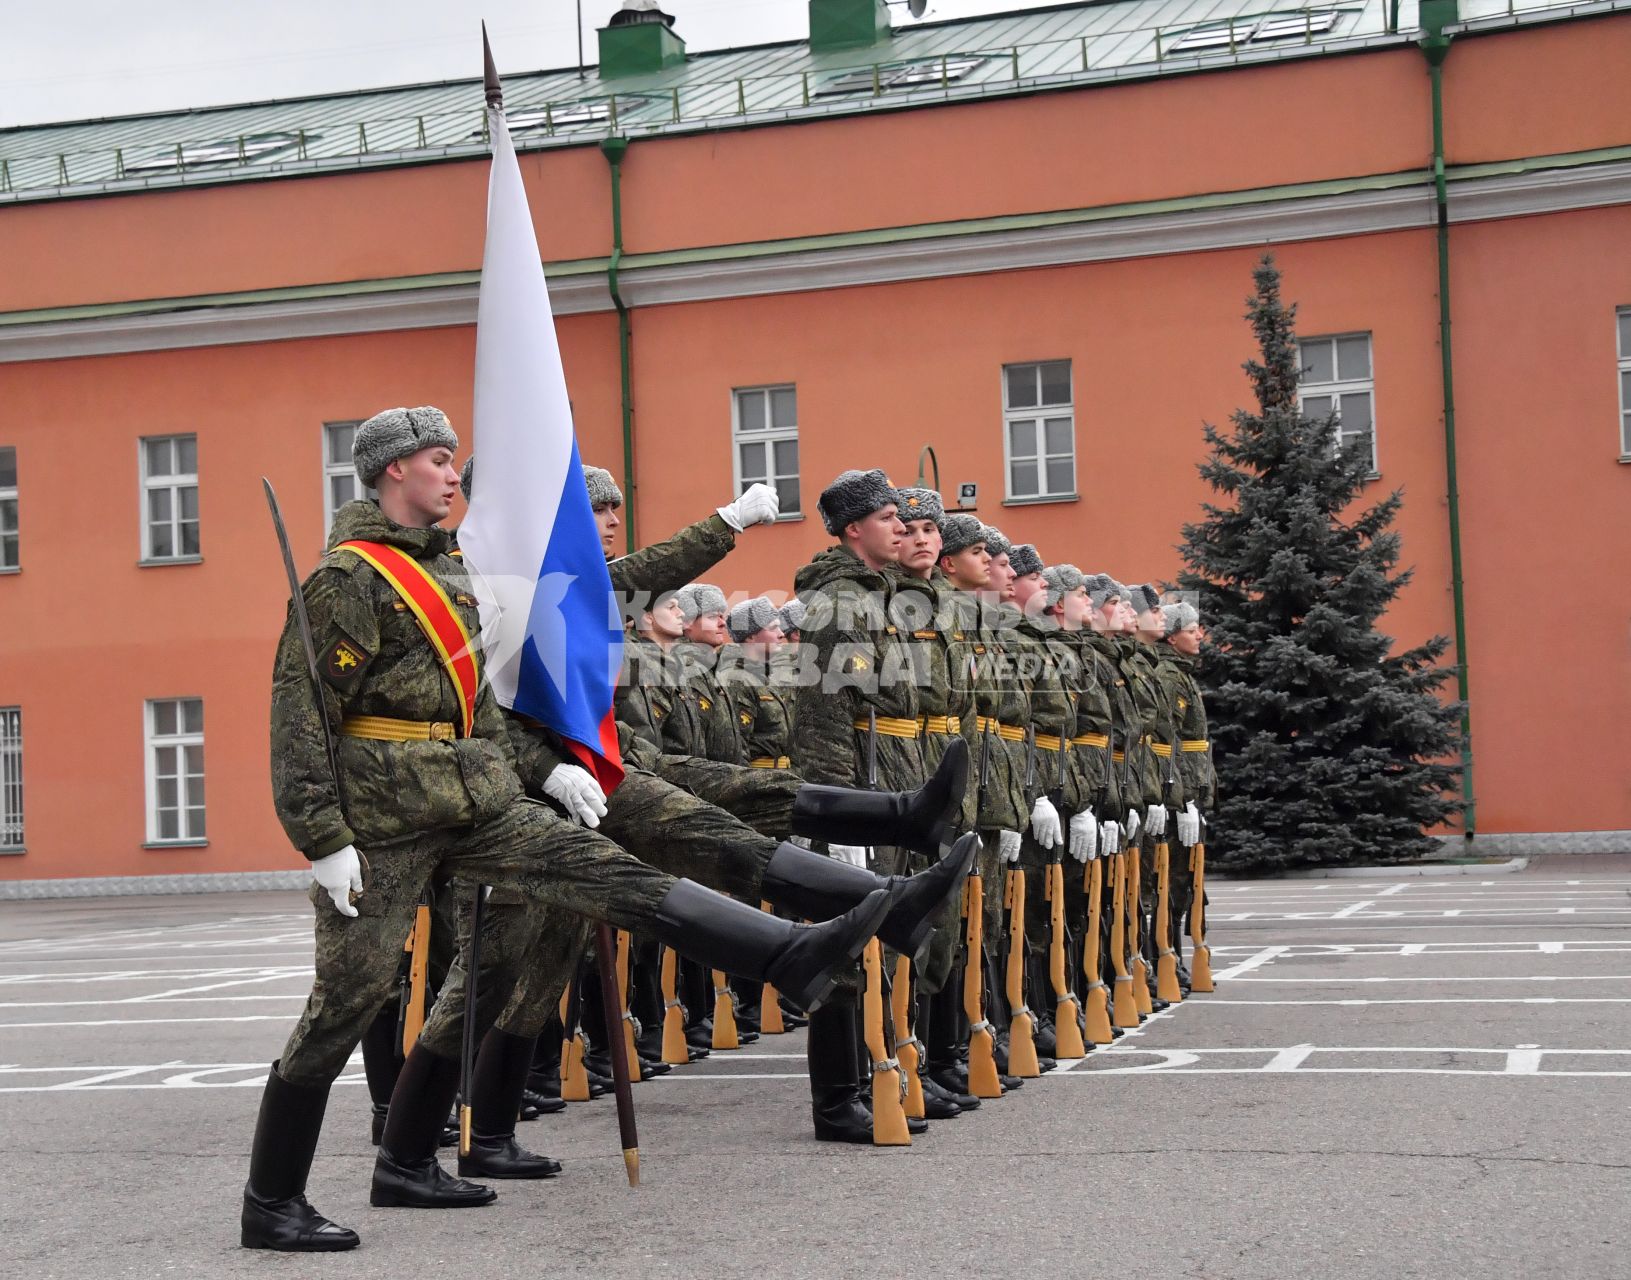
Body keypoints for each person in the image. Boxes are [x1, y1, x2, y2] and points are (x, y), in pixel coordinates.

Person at [241, 407, 901, 1253]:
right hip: (384, 819)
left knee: (599, 869)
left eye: (451, 462)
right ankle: (273, 1199)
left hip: (475, 795)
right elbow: (302, 715)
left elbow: (477, 701)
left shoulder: (448, 572)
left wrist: (536, 766)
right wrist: (322, 837)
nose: (452, 475)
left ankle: (783, 952)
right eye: (438, 461)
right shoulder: (348, 579)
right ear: (392, 471)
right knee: (349, 999)